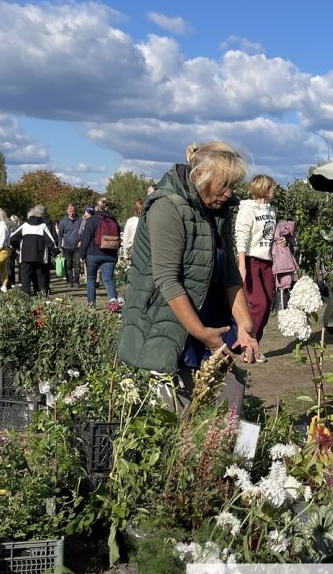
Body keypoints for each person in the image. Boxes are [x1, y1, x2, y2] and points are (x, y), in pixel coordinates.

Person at [119, 141, 259, 412]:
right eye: (223, 185)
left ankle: (222, 453)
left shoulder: (219, 210)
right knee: (176, 412)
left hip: (210, 322)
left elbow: (229, 271)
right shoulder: (168, 207)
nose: (229, 194)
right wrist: (201, 333)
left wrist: (244, 325)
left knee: (229, 396)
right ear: (199, 177)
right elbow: (167, 279)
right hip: (169, 322)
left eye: (233, 186)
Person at [235, 174, 278, 359]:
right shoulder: (247, 210)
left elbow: (270, 234)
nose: (274, 190)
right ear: (264, 189)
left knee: (267, 304)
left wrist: (281, 239)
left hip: (267, 261)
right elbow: (242, 237)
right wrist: (242, 265)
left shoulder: (271, 210)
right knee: (257, 304)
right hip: (251, 260)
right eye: (271, 187)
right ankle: (246, 345)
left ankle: (255, 346)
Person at [78, 197, 122, 310]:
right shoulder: (114, 220)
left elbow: (85, 238)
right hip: (110, 254)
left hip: (93, 253)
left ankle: (92, 304)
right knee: (108, 279)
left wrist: (82, 254)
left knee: (91, 279)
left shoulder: (92, 220)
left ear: (96, 207)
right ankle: (113, 302)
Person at [10, 204, 57, 296]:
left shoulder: (25, 226)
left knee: (25, 278)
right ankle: (42, 295)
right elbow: (51, 242)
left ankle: (25, 296)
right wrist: (55, 251)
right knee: (40, 277)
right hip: (40, 256)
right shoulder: (43, 226)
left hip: (25, 256)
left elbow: (12, 238)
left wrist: (17, 247)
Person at [58, 204, 83, 288]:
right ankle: (69, 281)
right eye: (70, 211)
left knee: (77, 265)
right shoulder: (63, 221)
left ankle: (76, 281)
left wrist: (81, 241)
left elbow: (84, 231)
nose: (71, 213)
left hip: (77, 247)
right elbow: (60, 235)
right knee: (68, 265)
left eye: (73, 211)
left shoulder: (80, 220)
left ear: (75, 211)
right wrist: (59, 246)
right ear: (67, 211)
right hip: (66, 247)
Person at [121, 199, 143, 265]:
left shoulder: (130, 221)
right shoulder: (149, 220)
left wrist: (125, 254)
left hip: (132, 250)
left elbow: (125, 238)